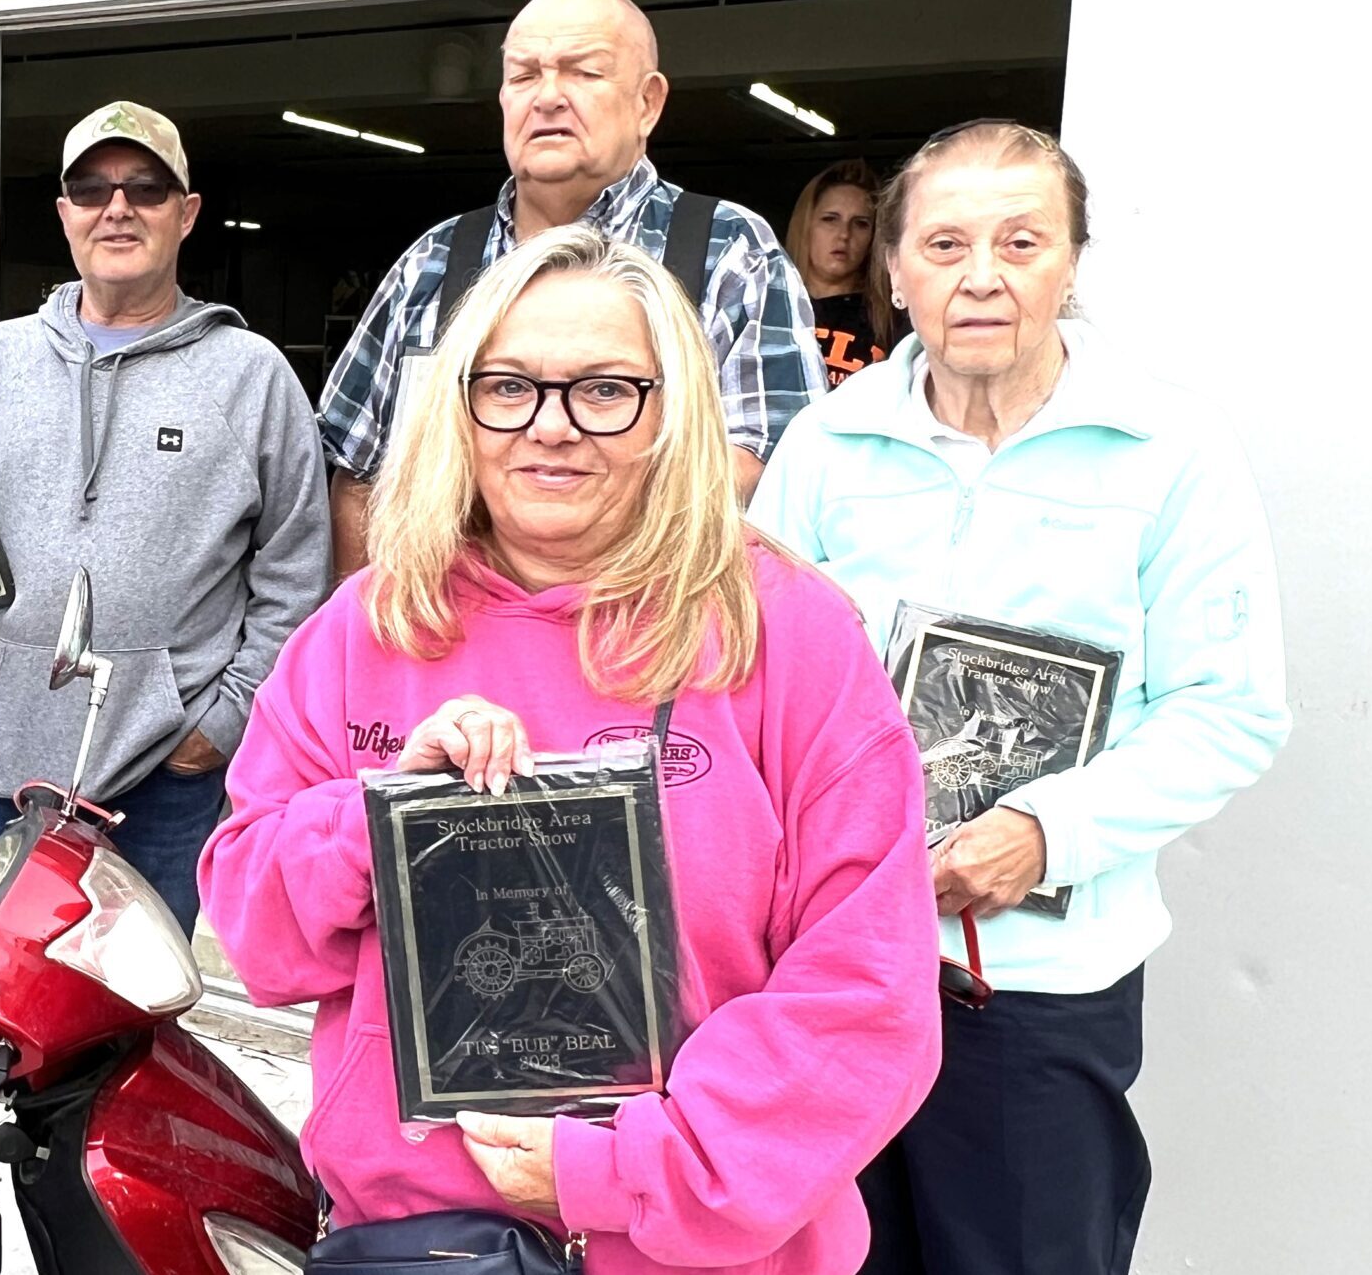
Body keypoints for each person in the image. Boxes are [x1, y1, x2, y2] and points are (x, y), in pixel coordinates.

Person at [202, 226, 939, 1272]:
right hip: (423, 1246)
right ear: (459, 408)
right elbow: (257, 938)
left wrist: (629, 1167)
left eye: (603, 390)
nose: (549, 427)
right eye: (508, 387)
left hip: (699, 1249)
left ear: (670, 413)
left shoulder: (789, 637)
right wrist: (380, 820)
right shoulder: (365, 630)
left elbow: (867, 994)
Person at [750, 121, 1289, 1275]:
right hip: (830, 972)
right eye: (944, 244)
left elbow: (1228, 708)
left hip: (1034, 989)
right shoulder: (827, 444)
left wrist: (1048, 832)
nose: (981, 275)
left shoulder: (1167, 451)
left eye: (1020, 241)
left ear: (1070, 263)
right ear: (895, 270)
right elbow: (748, 680)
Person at [0, 102, 328, 935]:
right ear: (64, 214)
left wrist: (221, 726)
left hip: (162, 785)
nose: (116, 208)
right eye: (91, 189)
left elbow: (297, 570)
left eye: (145, 188)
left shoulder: (250, 376)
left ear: (187, 212)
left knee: (127, 1006)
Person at [321, 0, 821, 571]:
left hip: (647, 618)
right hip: (439, 621)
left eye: (583, 72)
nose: (548, 97)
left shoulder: (728, 252)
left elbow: (772, 459)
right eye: (524, 75)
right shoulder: (432, 261)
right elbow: (358, 472)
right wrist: (369, 613)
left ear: (648, 103)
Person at [785, 158, 892, 389]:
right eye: (830, 219)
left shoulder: (889, 319)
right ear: (806, 225)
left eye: (860, 223)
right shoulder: (770, 305)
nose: (844, 234)